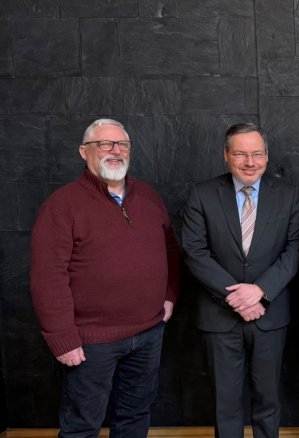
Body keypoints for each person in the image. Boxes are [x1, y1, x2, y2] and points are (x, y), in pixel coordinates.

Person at [30, 118, 180, 437]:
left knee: (135, 416)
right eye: (104, 144)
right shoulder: (61, 205)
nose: (115, 151)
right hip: (91, 341)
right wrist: (62, 338)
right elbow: (47, 277)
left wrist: (169, 295)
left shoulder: (149, 197)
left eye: (122, 144)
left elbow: (170, 249)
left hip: (149, 332)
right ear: (84, 152)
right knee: (83, 424)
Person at [181, 123, 299, 438]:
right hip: (219, 317)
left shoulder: (288, 195)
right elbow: (194, 252)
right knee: (225, 404)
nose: (250, 162)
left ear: (266, 155)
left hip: (269, 314)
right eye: (240, 154)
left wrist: (261, 292)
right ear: (226, 156)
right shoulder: (203, 194)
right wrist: (235, 297)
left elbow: (294, 251)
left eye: (257, 153)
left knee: (268, 401)